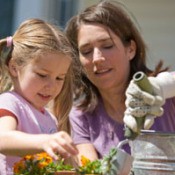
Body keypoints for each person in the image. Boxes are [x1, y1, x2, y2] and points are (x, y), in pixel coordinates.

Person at [65, 0, 175, 165]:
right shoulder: (81, 115)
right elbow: (89, 168)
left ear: (130, 49)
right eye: (86, 51)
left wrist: (164, 85)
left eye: (107, 46)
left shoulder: (166, 95)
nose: (97, 59)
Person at [0, 18, 78, 175]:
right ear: (14, 67)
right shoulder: (10, 102)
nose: (52, 86)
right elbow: (2, 138)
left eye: (59, 78)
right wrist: (44, 141)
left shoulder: (49, 118)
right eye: (42, 75)